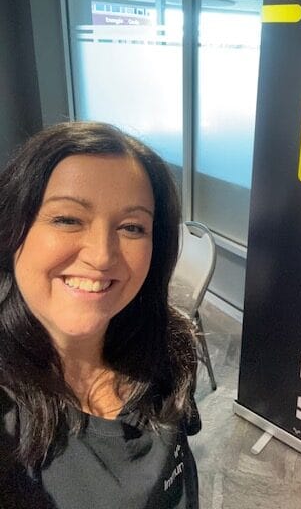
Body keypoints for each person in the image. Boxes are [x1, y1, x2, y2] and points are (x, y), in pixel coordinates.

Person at [0, 122, 200, 509]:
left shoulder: (171, 345)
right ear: (12, 230)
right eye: (68, 219)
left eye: (132, 227)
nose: (102, 255)